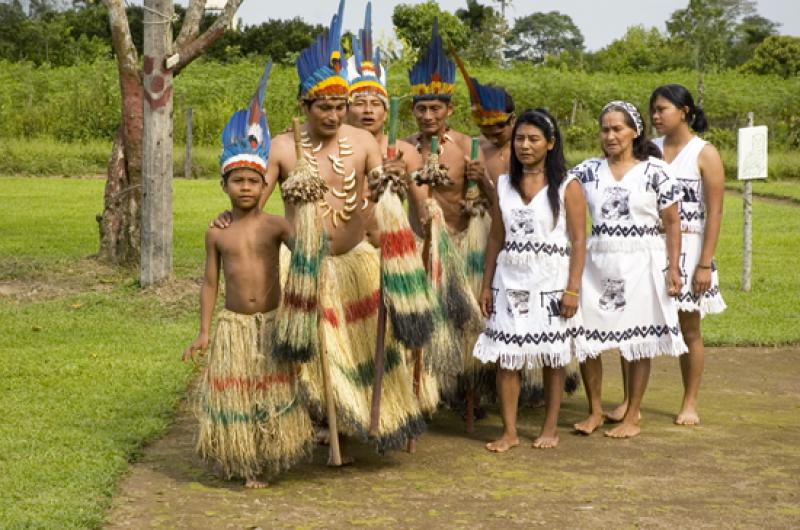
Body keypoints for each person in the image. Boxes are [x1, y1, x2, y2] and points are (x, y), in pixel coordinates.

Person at [182, 62, 313, 489]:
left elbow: (310, 250)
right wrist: (203, 331)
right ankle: (238, 456)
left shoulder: (276, 225)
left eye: (253, 182)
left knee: (272, 390)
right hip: (234, 326)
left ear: (265, 185)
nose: (245, 188)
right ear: (224, 185)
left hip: (274, 323)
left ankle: (269, 454)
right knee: (236, 391)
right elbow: (209, 283)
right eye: (237, 181)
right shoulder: (217, 232)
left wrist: (303, 200)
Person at [474, 109, 588, 451]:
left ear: (550, 144)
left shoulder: (568, 186)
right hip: (511, 281)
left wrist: (572, 289)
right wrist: (486, 284)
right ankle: (509, 431)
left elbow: (579, 241)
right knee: (507, 356)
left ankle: (549, 426)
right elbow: (496, 237)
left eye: (534, 139)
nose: (525, 145)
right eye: (520, 138)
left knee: (553, 357)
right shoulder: (505, 184)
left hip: (551, 281)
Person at [571, 100, 687, 439]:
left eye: (617, 128)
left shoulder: (656, 171)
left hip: (642, 263)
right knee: (587, 337)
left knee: (637, 340)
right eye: (605, 129)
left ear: (634, 132)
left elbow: (672, 222)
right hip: (598, 264)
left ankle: (632, 415)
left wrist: (674, 269)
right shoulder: (587, 171)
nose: (610, 135)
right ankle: (594, 410)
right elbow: (553, 188)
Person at [650, 84, 726, 426]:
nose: (655, 116)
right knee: (640, 323)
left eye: (662, 109)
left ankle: (690, 402)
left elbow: (716, 212)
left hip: (692, 246)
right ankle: (629, 402)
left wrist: (704, 263)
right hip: (650, 247)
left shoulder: (704, 153)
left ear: (684, 111)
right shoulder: (647, 150)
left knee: (689, 328)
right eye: (652, 109)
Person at [451, 50, 516, 181]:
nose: (492, 140)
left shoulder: (528, 149)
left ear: (513, 120)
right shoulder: (473, 149)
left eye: (498, 134)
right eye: (486, 134)